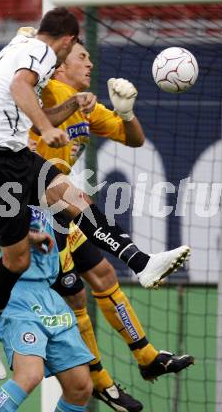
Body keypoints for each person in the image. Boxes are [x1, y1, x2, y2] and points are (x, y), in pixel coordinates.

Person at [0, 8, 191, 381]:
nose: (82, 58)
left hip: (13, 156)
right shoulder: (43, 53)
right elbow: (22, 89)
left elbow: (36, 101)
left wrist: (71, 108)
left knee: (76, 202)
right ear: (67, 41)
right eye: (79, 51)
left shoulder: (23, 46)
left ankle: (141, 262)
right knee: (16, 260)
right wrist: (45, 130)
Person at [28, 39, 195, 411]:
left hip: (57, 203)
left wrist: (127, 111)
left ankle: (147, 356)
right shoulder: (49, 90)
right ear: (59, 65)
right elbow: (26, 86)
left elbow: (135, 139)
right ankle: (103, 383)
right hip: (32, 204)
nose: (89, 63)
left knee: (103, 274)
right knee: (73, 295)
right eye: (81, 57)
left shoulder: (87, 108)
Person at [0, 192, 94, 412]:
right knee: (29, 375)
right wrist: (31, 238)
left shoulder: (41, 173)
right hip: (12, 291)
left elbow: (81, 204)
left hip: (47, 292)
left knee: (80, 387)